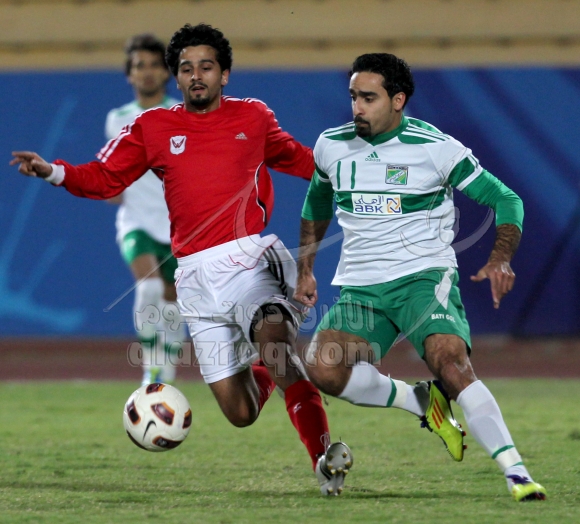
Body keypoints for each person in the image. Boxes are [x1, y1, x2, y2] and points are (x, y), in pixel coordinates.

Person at [11, 23, 351, 496]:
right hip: (194, 277)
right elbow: (106, 177)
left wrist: (359, 174)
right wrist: (53, 171)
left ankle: (324, 459)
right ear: (177, 77)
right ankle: (270, 373)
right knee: (240, 412)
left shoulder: (253, 117)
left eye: (206, 67)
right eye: (187, 68)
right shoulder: (152, 127)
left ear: (224, 74)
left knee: (276, 344)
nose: (196, 76)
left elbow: (307, 163)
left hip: (249, 259)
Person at [294, 53, 546, 502]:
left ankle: (517, 473)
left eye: (368, 98)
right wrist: (306, 269)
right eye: (353, 97)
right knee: (323, 368)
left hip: (423, 278)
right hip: (362, 286)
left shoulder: (435, 148)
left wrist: (501, 258)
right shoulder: (331, 146)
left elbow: (507, 200)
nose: (357, 108)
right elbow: (316, 205)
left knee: (449, 361)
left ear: (398, 100)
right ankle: (421, 402)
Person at [105, 33, 186, 386]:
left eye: (155, 64)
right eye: (140, 65)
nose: (148, 72)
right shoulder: (117, 118)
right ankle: (150, 366)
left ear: (166, 72)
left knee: (172, 304)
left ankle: (166, 365)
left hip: (177, 224)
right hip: (136, 220)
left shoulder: (181, 115)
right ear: (130, 74)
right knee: (149, 288)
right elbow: (114, 169)